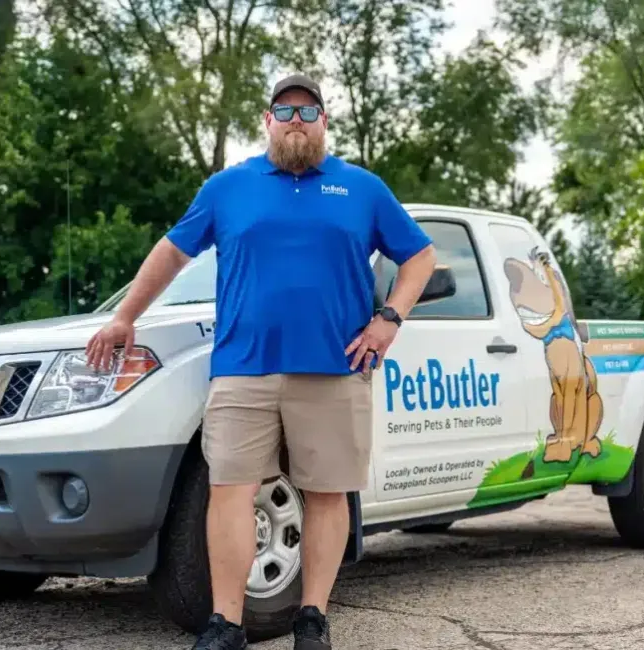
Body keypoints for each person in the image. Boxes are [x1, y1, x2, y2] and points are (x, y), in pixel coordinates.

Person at [85, 73, 437, 650]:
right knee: (229, 491)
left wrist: (389, 319)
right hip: (242, 370)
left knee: (327, 494)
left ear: (325, 122)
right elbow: (173, 251)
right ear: (267, 122)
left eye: (308, 111)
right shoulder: (229, 188)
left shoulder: (362, 188)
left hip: (335, 370)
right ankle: (226, 624)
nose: (296, 121)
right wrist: (126, 316)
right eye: (285, 110)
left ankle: (312, 619)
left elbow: (420, 257)